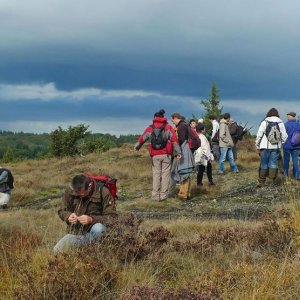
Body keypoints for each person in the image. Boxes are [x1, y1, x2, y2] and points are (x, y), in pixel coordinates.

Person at [54, 174, 117, 252]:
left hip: (96, 232)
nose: (80, 196)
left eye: (82, 194)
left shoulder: (103, 191)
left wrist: (91, 219)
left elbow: (112, 217)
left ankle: (99, 251)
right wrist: (68, 216)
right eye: (77, 194)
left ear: (90, 186)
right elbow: (61, 210)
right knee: (57, 250)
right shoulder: (70, 190)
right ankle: (86, 247)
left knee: (99, 228)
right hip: (76, 233)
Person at [135, 109, 181, 201]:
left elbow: (142, 138)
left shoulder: (150, 127)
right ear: (163, 117)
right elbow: (174, 140)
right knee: (165, 174)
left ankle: (155, 195)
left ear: (155, 118)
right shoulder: (168, 127)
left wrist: (137, 147)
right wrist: (178, 152)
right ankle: (163, 195)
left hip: (155, 154)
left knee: (156, 174)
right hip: (166, 154)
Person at [255, 108, 288, 186]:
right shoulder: (280, 123)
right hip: (276, 147)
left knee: (264, 163)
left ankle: (262, 182)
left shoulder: (264, 122)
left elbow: (259, 135)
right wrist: (280, 143)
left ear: (268, 114)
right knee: (273, 163)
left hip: (264, 147)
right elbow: (285, 136)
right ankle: (271, 181)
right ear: (277, 114)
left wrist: (257, 145)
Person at [171, 112, 195, 200]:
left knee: (183, 172)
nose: (172, 122)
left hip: (183, 151)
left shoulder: (181, 126)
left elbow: (181, 140)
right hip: (187, 150)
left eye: (172, 120)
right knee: (187, 173)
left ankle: (183, 194)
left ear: (175, 118)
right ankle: (187, 193)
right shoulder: (185, 125)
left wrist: (178, 153)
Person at [283, 112, 300, 179]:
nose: (287, 117)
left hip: (287, 145)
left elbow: (282, 135)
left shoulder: (285, 125)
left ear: (291, 116)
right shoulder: (298, 125)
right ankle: (296, 176)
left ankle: (285, 176)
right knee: (295, 161)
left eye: (288, 116)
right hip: (296, 145)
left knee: (286, 161)